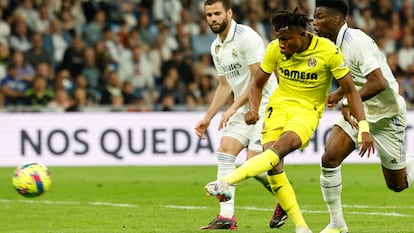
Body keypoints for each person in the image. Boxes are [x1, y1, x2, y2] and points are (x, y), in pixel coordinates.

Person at [204, 8, 375, 233]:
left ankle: (227, 181)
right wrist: (253, 108)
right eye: (278, 38)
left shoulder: (328, 51)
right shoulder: (275, 49)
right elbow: (256, 83)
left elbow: (351, 91)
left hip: (306, 110)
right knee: (274, 169)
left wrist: (363, 128)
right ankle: (301, 227)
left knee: (281, 148)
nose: (281, 44)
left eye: (286, 39)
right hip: (278, 107)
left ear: (302, 36)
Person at [311, 1, 414, 232]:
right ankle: (337, 224)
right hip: (361, 110)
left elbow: (378, 82)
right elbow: (354, 77)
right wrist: (340, 93)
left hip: (387, 114)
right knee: (329, 158)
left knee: (398, 186)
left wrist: (347, 100)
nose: (314, 22)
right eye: (314, 17)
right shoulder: (331, 45)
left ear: (336, 19)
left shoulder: (355, 42)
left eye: (319, 17)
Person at [195, 0, 278, 230]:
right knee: (225, 151)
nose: (213, 18)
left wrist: (232, 108)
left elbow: (257, 80)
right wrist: (207, 117)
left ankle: (283, 194)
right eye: (209, 15)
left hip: (265, 104)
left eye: (217, 13)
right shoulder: (216, 47)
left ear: (229, 13)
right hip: (243, 108)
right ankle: (226, 217)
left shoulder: (247, 37)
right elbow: (224, 86)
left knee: (253, 165)